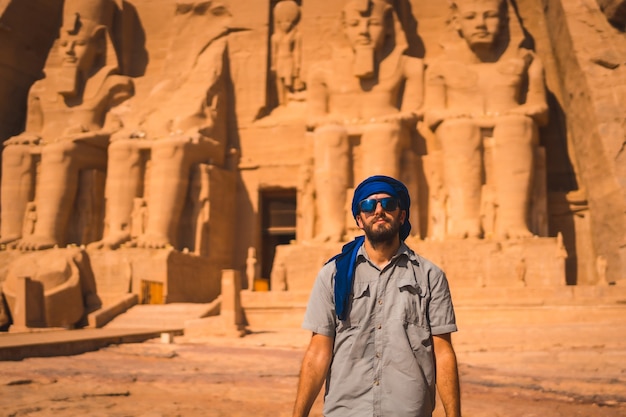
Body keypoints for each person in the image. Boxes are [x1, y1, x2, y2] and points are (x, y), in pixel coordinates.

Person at [292, 175, 461, 417]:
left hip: (408, 410)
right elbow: (318, 351)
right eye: (369, 206)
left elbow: (442, 352)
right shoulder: (332, 275)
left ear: (402, 216)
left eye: (389, 204)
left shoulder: (430, 276)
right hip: (347, 410)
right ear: (359, 219)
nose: (379, 211)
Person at [0, 0, 133, 250]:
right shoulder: (40, 88)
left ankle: (46, 234)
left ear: (99, 46)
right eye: (64, 44)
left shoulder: (114, 85)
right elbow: (34, 128)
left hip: (90, 150)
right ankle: (9, 233)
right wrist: (27, 136)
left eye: (79, 44)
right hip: (58, 145)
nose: (69, 51)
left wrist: (88, 134)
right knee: (14, 153)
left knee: (59, 152)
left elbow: (119, 132)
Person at [424, 0, 548, 239]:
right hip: (459, 127)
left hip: (510, 125)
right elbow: (432, 113)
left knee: (515, 126)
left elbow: (540, 108)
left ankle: (513, 222)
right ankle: (465, 222)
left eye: (489, 16)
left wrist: (513, 113)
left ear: (503, 21)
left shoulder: (526, 59)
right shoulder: (441, 66)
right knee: (458, 130)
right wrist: (459, 116)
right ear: (457, 22)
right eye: (471, 17)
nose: (480, 25)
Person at [307, 0, 423, 242]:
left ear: (389, 27)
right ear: (343, 28)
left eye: (373, 24)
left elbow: (414, 112)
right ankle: (332, 227)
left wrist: (386, 118)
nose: (363, 31)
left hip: (387, 130)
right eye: (354, 24)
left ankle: (382, 224)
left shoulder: (407, 65)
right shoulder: (321, 71)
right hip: (341, 128)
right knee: (329, 135)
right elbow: (315, 117)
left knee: (381, 132)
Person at [271, 0, 303, 106]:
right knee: (280, 80)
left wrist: (298, 64)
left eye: (288, 21)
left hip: (289, 59)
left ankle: (290, 98)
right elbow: (274, 53)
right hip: (280, 59)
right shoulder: (275, 37)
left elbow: (297, 50)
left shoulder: (296, 35)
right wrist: (273, 64)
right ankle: (281, 101)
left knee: (289, 80)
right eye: (282, 22)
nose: (285, 24)